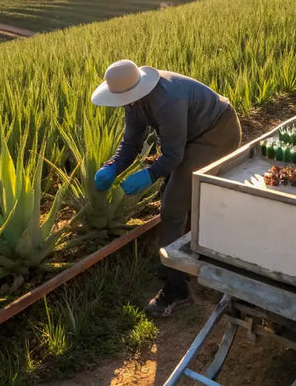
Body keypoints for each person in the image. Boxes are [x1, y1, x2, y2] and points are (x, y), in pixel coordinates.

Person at [90, 59, 241, 317]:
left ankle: (177, 288)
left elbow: (173, 156)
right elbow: (130, 143)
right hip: (192, 137)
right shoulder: (134, 100)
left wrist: (148, 175)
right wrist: (113, 166)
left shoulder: (167, 101)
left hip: (216, 134)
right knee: (180, 194)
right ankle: (180, 257)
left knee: (172, 206)